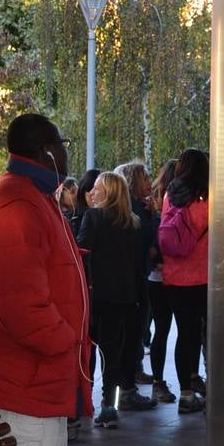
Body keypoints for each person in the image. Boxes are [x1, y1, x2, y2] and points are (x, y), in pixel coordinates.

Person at [0, 113, 88, 446]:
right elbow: (15, 298)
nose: (65, 152)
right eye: (62, 144)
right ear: (46, 151)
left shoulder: (31, 197)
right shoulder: (17, 201)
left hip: (37, 380)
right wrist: (63, 342)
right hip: (25, 383)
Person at [78, 171, 156, 427]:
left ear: (107, 192)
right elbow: (137, 264)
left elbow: (82, 252)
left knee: (87, 352)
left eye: (98, 187)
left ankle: (81, 405)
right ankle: (109, 406)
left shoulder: (93, 216)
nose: (93, 191)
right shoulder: (132, 222)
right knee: (112, 354)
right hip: (123, 297)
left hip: (95, 295)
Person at [158, 148, 210, 415]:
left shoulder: (169, 196)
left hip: (174, 277)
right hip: (204, 277)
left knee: (185, 335)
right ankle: (213, 384)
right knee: (208, 334)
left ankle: (186, 394)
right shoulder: (209, 199)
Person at [114, 160, 158, 386]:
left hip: (137, 274)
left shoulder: (137, 206)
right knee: (134, 329)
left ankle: (133, 373)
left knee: (137, 329)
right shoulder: (134, 209)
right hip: (134, 276)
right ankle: (129, 381)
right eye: (145, 178)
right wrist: (153, 217)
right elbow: (146, 240)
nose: (149, 182)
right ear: (133, 180)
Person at [145, 160, 178, 405]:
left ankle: (158, 381)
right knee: (186, 332)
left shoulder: (151, 204)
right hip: (169, 274)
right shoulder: (171, 204)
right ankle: (187, 380)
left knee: (163, 330)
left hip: (156, 277)